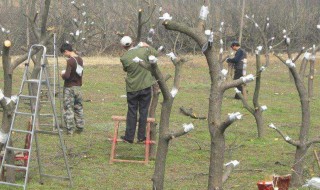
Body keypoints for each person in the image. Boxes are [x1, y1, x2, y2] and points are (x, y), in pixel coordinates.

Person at [119, 36, 158, 143]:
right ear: (132, 42)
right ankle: (141, 137)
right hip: (145, 86)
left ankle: (129, 137)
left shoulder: (124, 58)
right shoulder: (144, 51)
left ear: (123, 46)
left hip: (132, 88)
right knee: (144, 111)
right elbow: (156, 53)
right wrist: (147, 46)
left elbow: (126, 69)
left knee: (132, 112)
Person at [60, 43, 85, 135]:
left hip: (69, 88)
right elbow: (80, 73)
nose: (64, 55)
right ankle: (80, 127)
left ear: (66, 51)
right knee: (78, 107)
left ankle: (70, 129)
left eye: (63, 53)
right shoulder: (80, 59)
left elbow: (67, 75)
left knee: (68, 108)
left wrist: (62, 74)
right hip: (78, 87)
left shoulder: (70, 61)